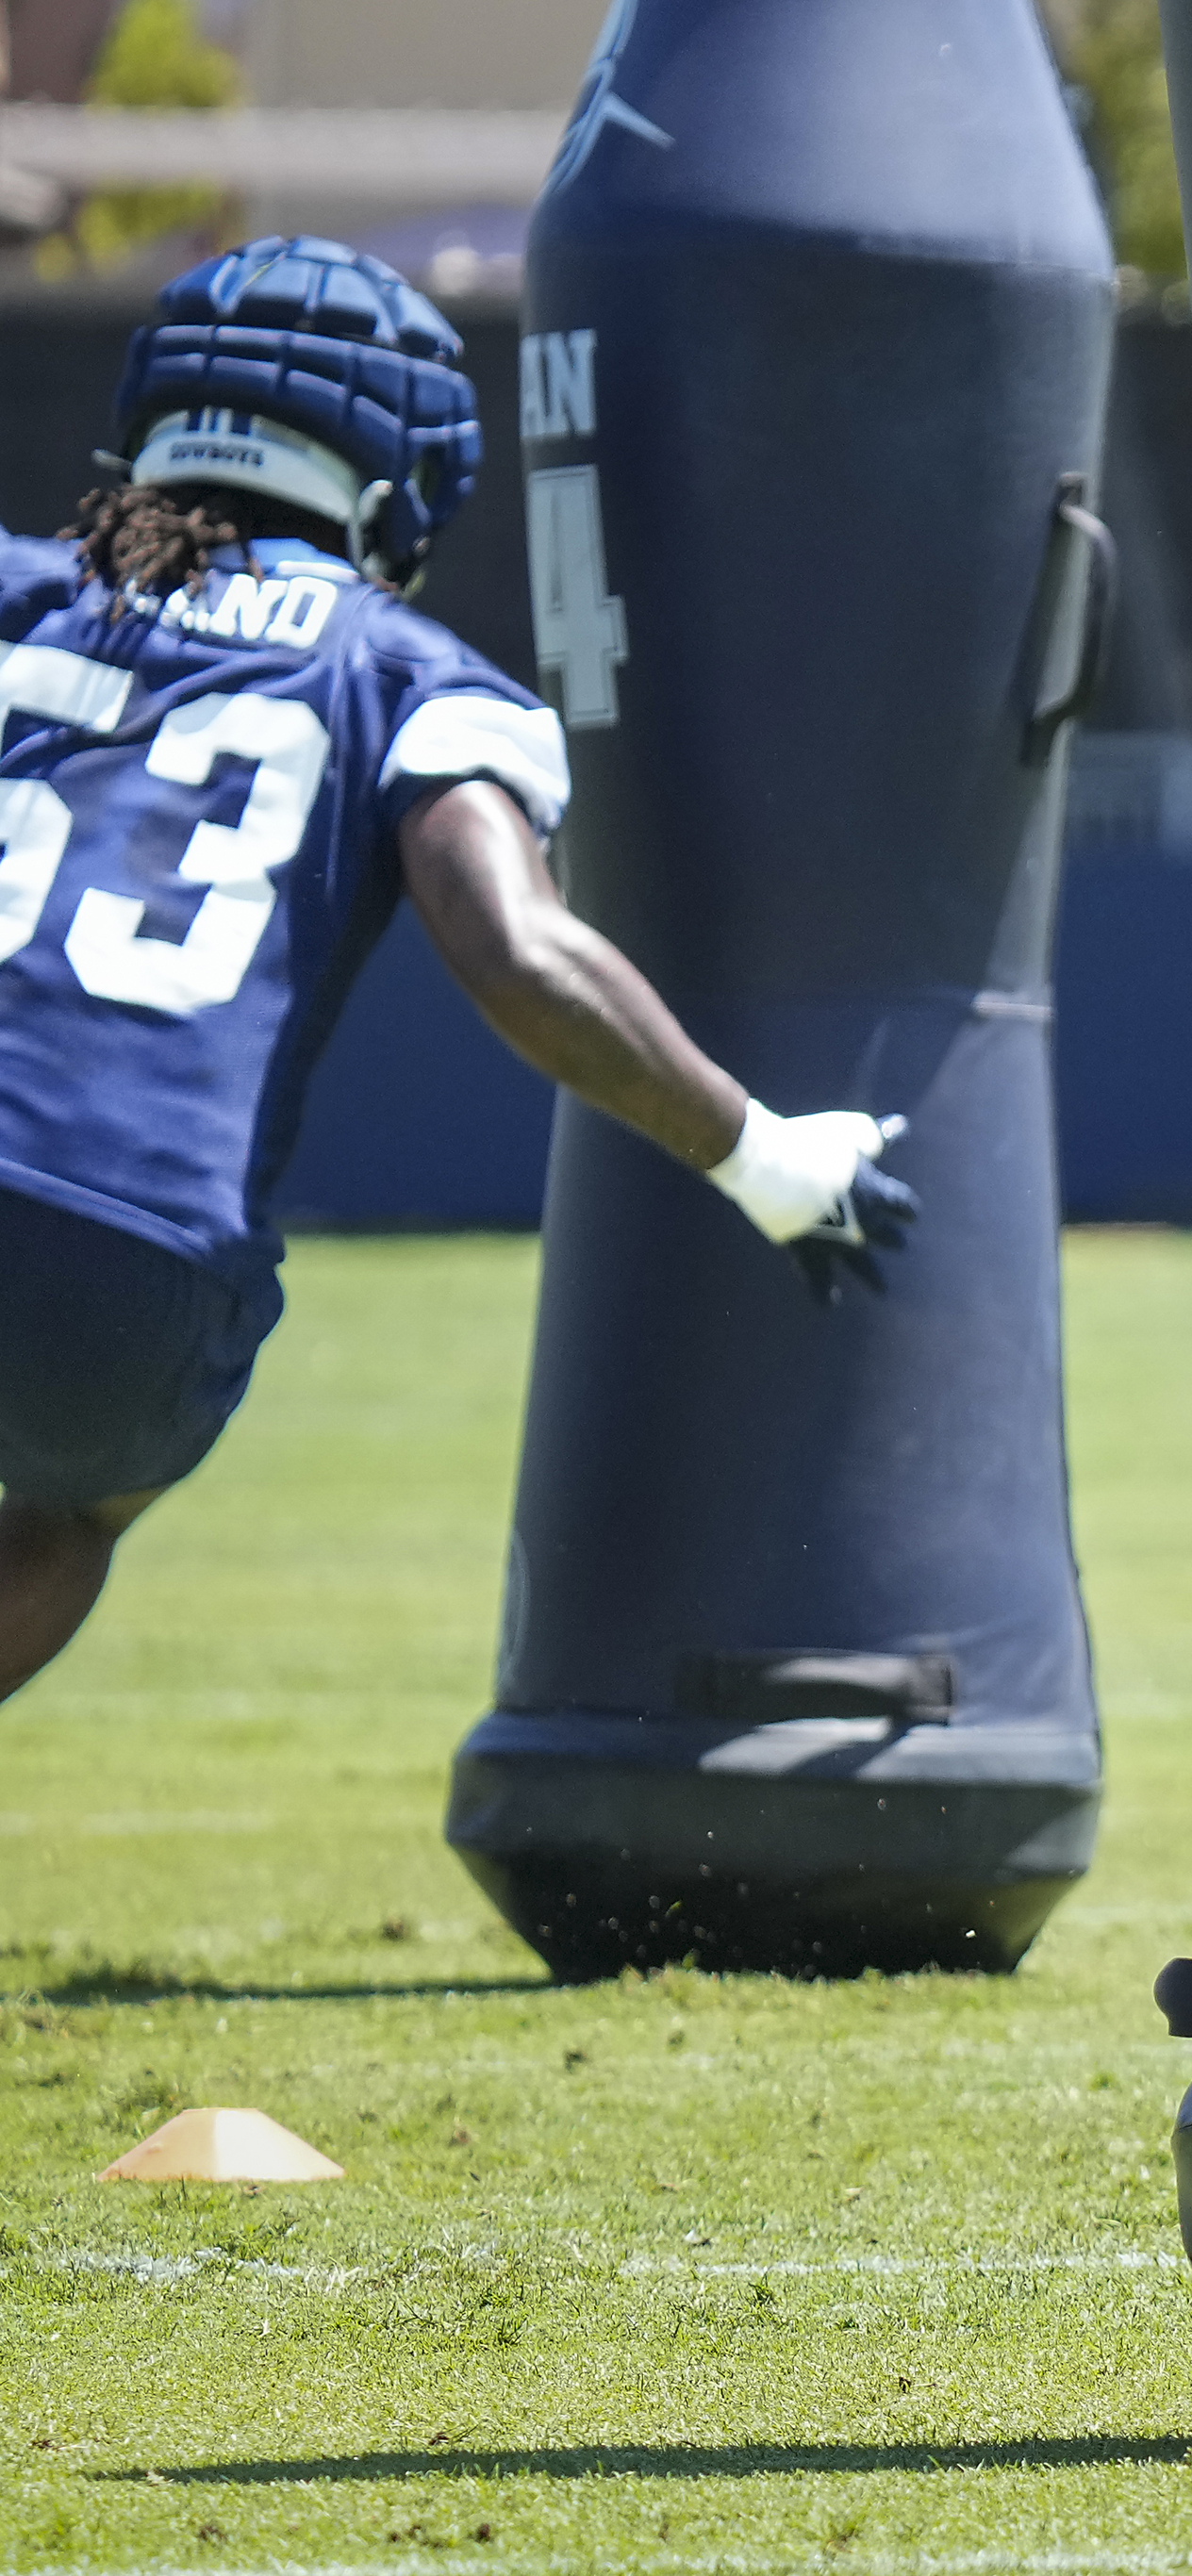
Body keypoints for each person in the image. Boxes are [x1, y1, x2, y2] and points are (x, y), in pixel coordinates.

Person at [0, 237, 914, 1707]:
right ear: (386, 491)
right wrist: (764, 1155)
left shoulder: (20, 593)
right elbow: (519, 948)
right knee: (63, 1503)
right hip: (131, 1243)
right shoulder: (398, 671)